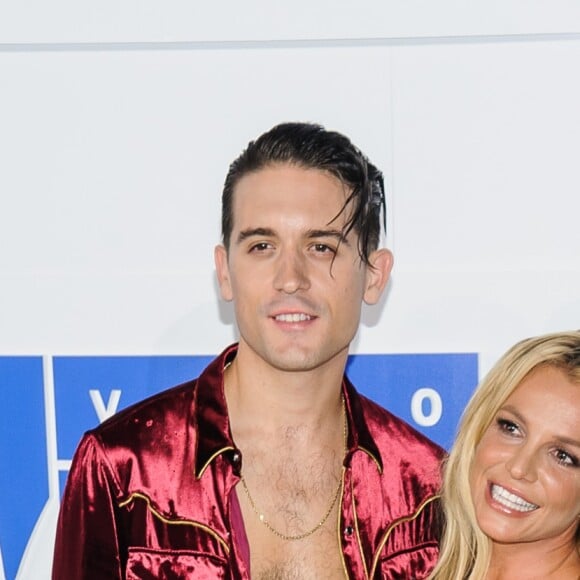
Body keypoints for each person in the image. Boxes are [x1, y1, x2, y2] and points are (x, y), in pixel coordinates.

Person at [53, 122, 444, 579]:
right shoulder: (124, 471)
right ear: (225, 272)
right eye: (262, 246)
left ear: (374, 276)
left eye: (321, 247)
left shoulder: (428, 491)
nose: (291, 277)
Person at [430, 330, 580, 580]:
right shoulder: (416, 561)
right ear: (480, 425)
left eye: (563, 456)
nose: (520, 468)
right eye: (512, 428)